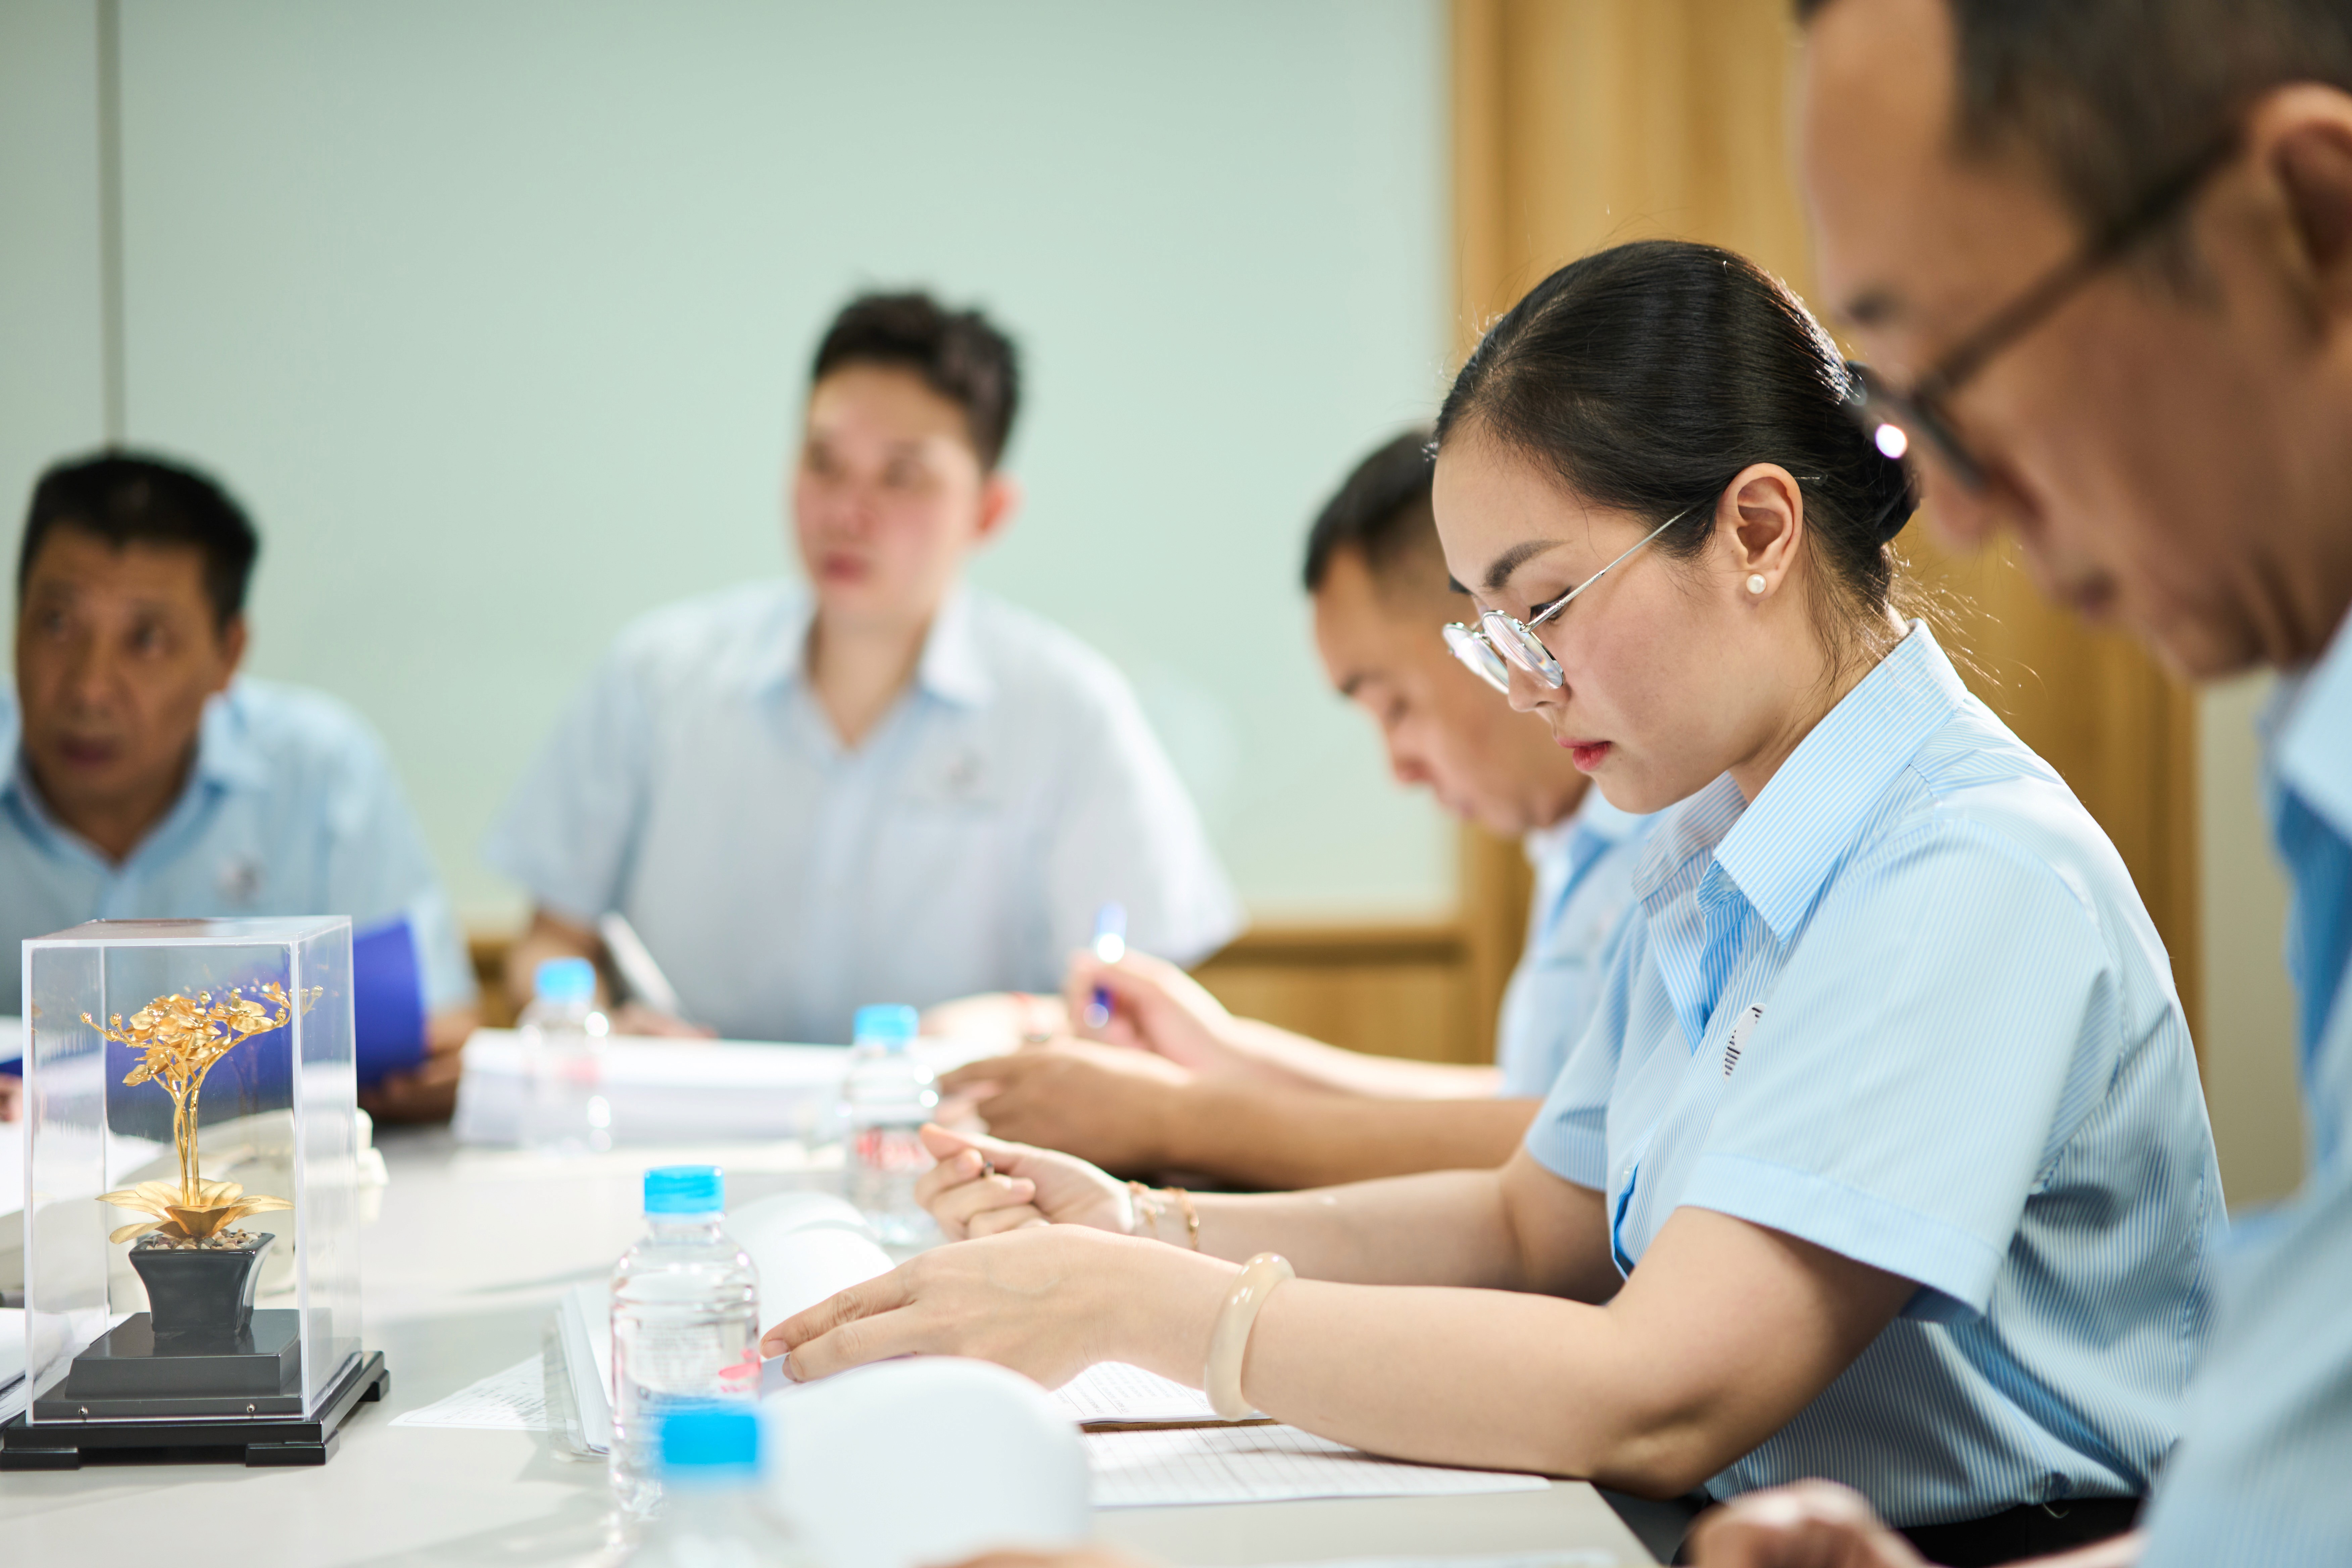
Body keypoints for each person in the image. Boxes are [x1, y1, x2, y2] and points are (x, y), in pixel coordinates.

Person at [764, 242, 2223, 1561]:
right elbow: (1535, 1224)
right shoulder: (1717, 832)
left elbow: (1663, 1390)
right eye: (1488, 632)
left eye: (1544, 609)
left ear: (1760, 531)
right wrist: (1145, 1232)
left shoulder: (1965, 873)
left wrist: (1141, 1307)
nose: (1528, 683)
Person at [1685, 2, 2352, 1565]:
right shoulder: (2313, 758)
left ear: (2310, 220)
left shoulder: (1972, 852)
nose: (1965, 511)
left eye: (1966, 372)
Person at [483, 291, 1238, 1044]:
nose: (848, 511)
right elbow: (551, 942)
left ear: (989, 510)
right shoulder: (655, 678)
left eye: (901, 476)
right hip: (681, 1144)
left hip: (964, 1144)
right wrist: (594, 1024)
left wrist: (1014, 1022)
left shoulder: (1069, 708)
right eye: (824, 463)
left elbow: (1135, 1005)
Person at [930, 429, 1655, 1187]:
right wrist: (1226, 1054)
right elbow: (1530, 1109)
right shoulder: (1578, 840)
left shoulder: (1666, 829)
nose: (1399, 767)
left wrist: (1177, 1116)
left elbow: (1583, 1147)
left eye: (1396, 705)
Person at [1, 452, 479, 1122]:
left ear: (227, 653)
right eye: (56, 624)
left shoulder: (319, 769)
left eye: (146, 639)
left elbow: (443, 1026)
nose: (88, 688)